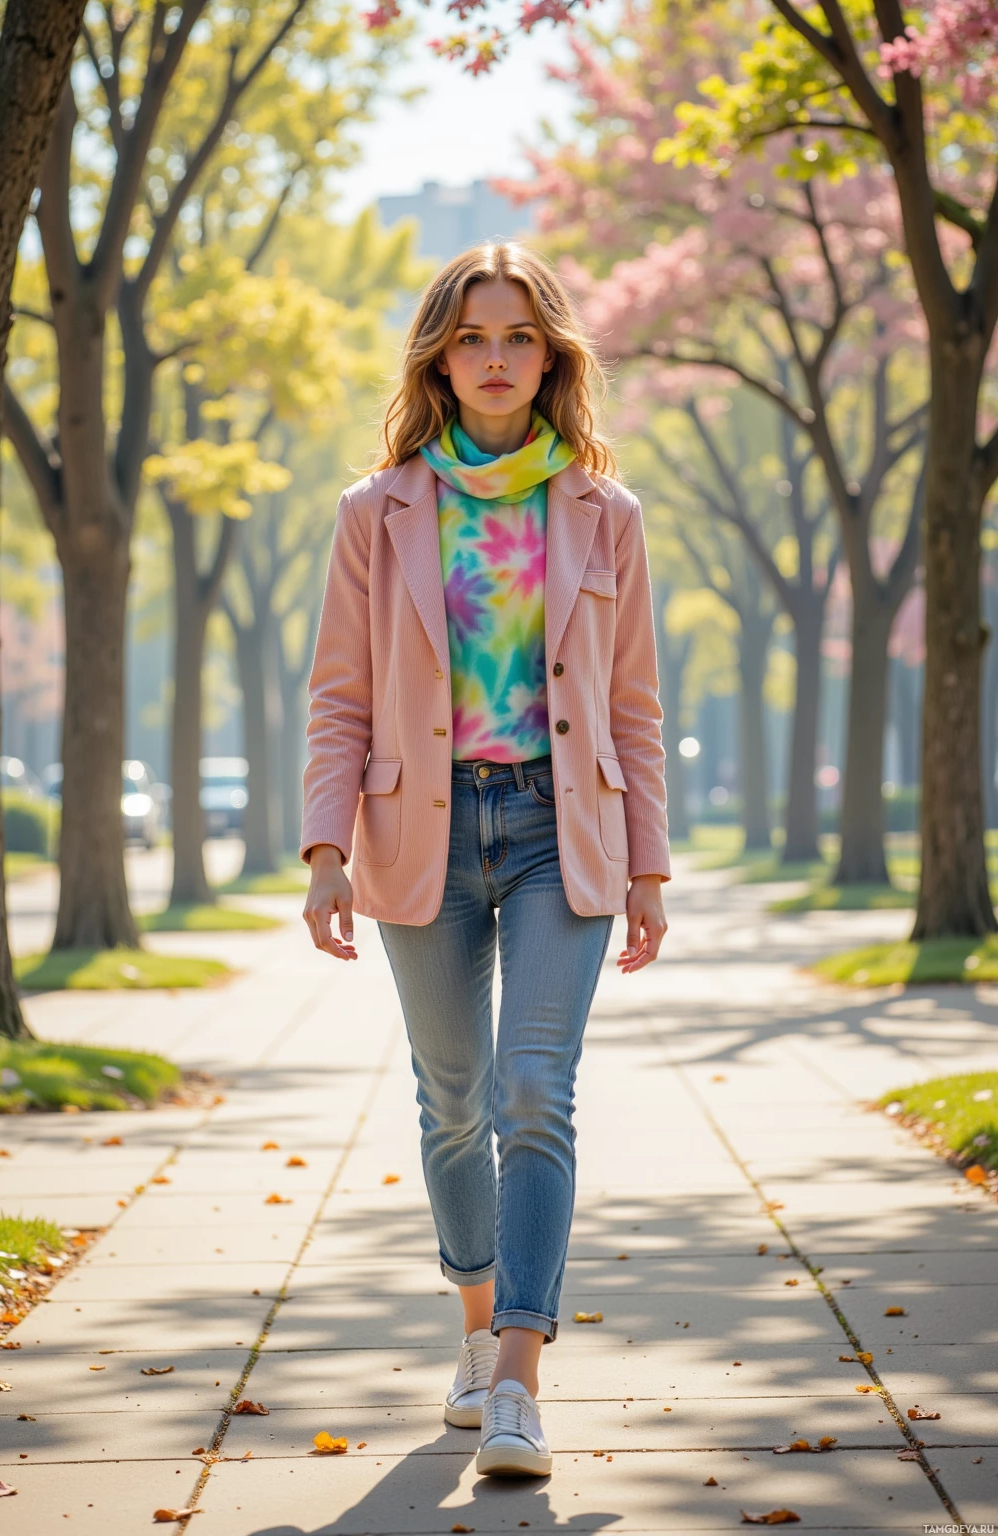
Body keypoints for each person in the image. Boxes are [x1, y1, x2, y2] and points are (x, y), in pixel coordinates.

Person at [301, 241, 670, 1479]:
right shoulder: (378, 510)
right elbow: (338, 698)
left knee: (533, 1091)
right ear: (439, 357)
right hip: (423, 829)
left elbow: (635, 708)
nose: (497, 359)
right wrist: (322, 848)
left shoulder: (603, 513)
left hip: (561, 830)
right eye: (472, 337)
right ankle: (473, 1322)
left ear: (551, 353)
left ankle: (517, 1376)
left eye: (518, 337)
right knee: (452, 1099)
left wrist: (651, 867)